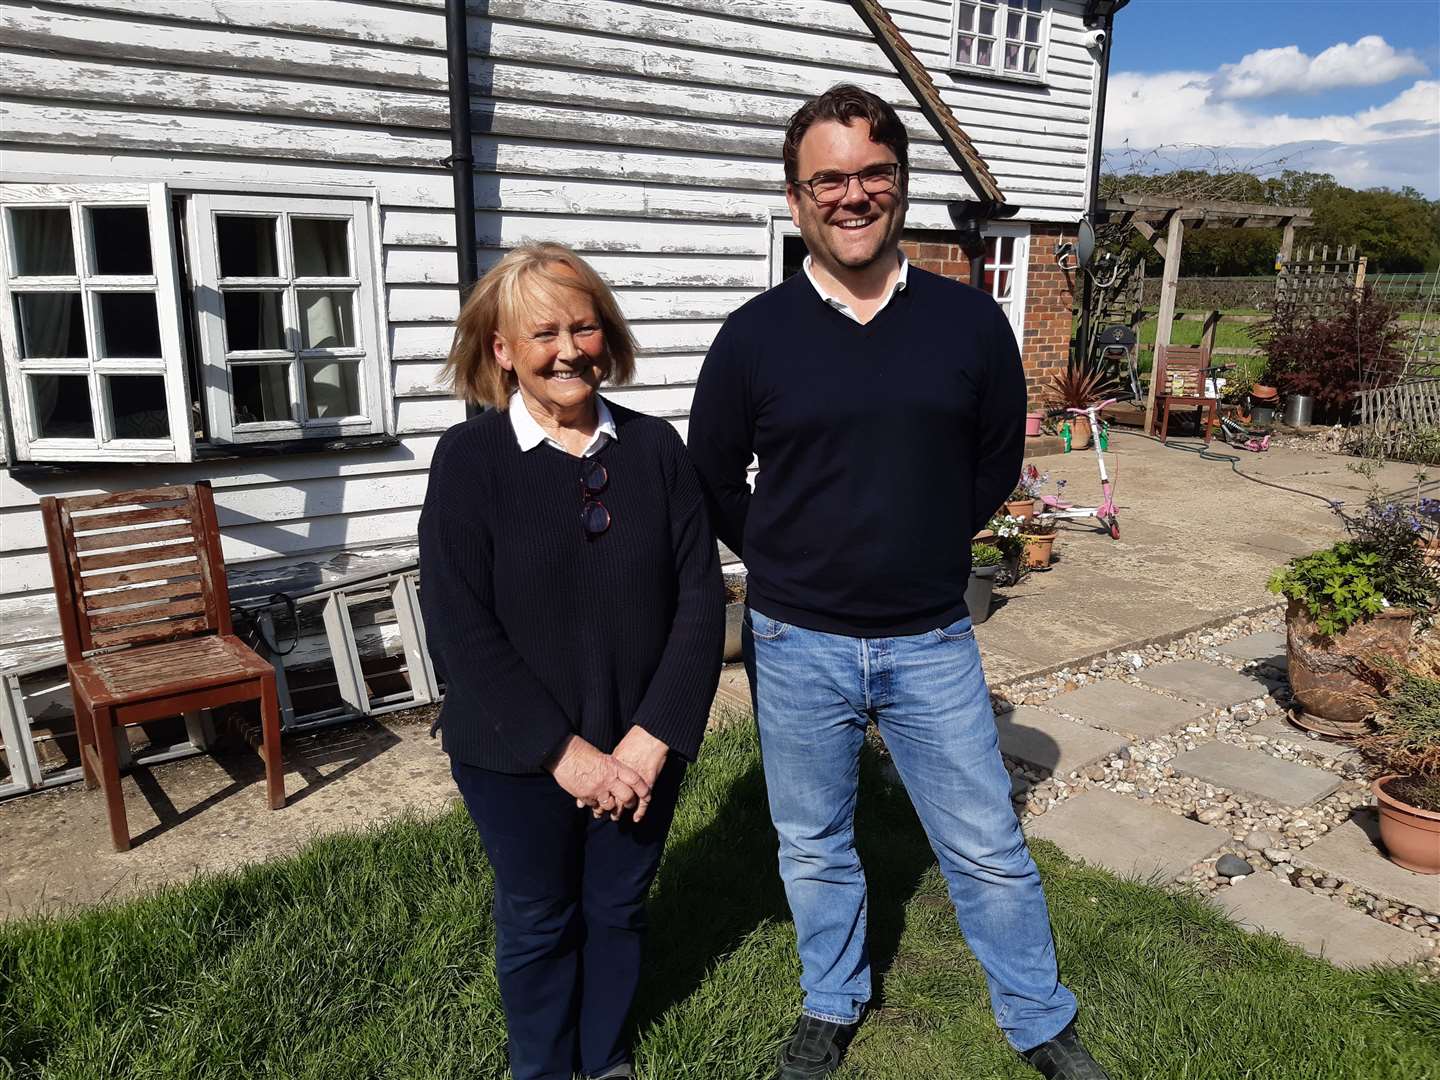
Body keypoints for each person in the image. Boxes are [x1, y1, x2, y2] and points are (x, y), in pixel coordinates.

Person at [687, 86, 1109, 1080]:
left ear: (901, 186)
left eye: (872, 173)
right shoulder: (754, 335)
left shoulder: (968, 326)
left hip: (930, 637)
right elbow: (713, 474)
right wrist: (786, 559)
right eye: (828, 178)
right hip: (796, 641)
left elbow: (994, 462)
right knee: (815, 842)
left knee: (987, 846)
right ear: (797, 199)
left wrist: (921, 543)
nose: (852, 194)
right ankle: (832, 1001)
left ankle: (1039, 1017)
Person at [419, 241, 724, 1080]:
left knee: (619, 908)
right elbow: (458, 624)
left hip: (640, 749)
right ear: (502, 350)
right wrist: (565, 754)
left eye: (584, 327)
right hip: (515, 754)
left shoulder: (657, 452)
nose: (568, 350)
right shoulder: (470, 462)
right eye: (543, 332)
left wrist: (651, 738)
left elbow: (700, 601)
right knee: (541, 916)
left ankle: (607, 1057)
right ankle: (546, 1070)